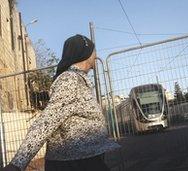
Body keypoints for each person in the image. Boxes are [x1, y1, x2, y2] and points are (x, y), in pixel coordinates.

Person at [3, 34, 120, 171]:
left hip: (84, 157)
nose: (96, 54)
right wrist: (17, 164)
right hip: (74, 161)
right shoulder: (69, 80)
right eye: (94, 50)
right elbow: (47, 121)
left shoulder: (79, 80)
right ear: (85, 52)